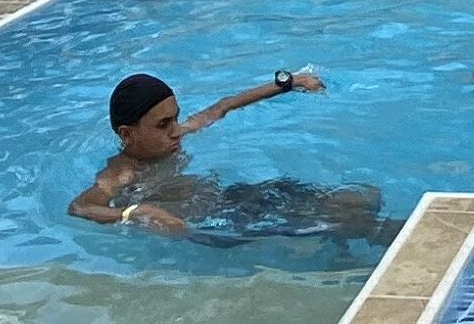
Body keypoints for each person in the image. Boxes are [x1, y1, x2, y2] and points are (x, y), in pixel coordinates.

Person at [69, 69, 388, 244]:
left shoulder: (175, 135)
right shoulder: (122, 174)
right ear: (127, 134)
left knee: (362, 199)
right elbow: (81, 206)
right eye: (163, 125)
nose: (176, 130)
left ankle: (357, 238)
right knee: (352, 221)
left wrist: (290, 82)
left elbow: (222, 106)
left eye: (176, 118)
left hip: (235, 198)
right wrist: (137, 212)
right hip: (218, 223)